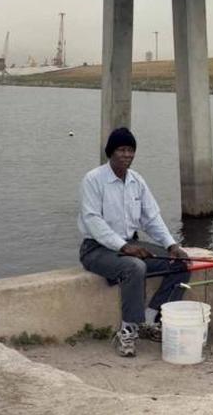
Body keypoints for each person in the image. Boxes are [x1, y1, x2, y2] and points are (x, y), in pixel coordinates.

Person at [78, 127, 190, 357]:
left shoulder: (137, 181)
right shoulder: (93, 180)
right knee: (134, 266)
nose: (127, 155)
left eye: (131, 150)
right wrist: (124, 247)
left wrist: (172, 245)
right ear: (111, 152)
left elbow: (151, 219)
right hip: (96, 249)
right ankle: (127, 332)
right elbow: (93, 221)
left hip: (129, 244)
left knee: (179, 264)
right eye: (122, 150)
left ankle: (151, 320)